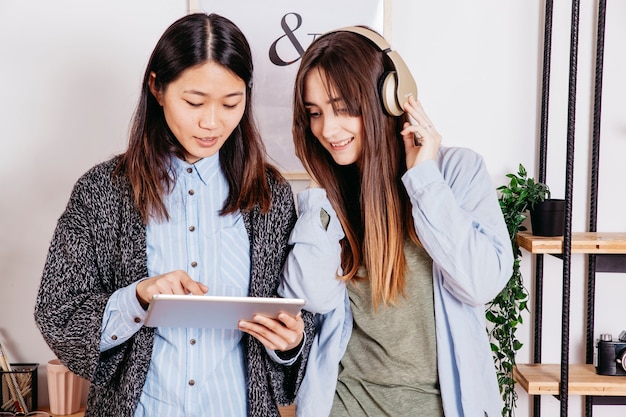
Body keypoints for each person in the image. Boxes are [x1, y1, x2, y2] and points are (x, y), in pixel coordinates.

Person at [34, 13, 314, 417]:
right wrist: (138, 297)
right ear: (157, 88)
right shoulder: (102, 191)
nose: (212, 122)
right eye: (194, 102)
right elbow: (57, 312)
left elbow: (305, 321)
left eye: (231, 103)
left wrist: (291, 344)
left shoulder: (272, 197)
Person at [279, 26, 513, 417]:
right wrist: (322, 190)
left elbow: (481, 283)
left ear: (388, 99)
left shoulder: (455, 173)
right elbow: (314, 297)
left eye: (343, 108)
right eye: (315, 113)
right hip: (345, 405)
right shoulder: (328, 200)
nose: (327, 129)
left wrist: (424, 179)